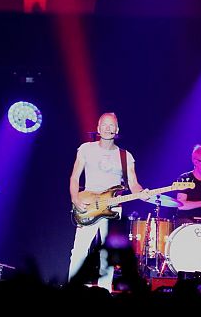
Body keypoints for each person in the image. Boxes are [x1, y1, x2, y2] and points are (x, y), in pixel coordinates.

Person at [68, 112, 145, 289]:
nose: (108, 128)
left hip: (113, 208)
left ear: (117, 130)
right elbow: (74, 178)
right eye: (105, 125)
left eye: (112, 125)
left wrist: (141, 192)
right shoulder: (86, 149)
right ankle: (72, 290)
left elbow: (133, 183)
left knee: (108, 255)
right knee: (79, 250)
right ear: (98, 128)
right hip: (88, 205)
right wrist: (75, 198)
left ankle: (104, 292)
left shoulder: (126, 156)